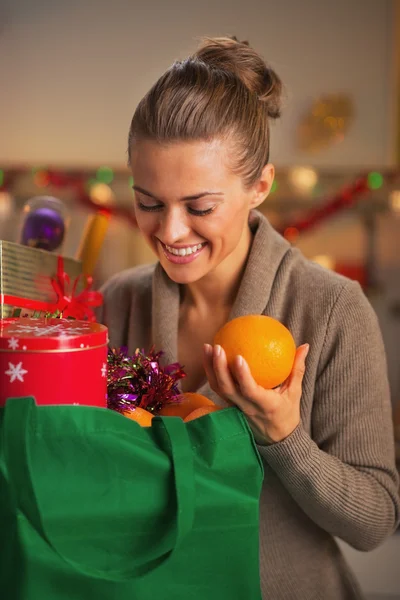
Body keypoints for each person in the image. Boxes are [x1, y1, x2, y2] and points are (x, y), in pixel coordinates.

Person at [98, 36, 400, 599]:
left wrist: (285, 436)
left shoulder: (331, 310)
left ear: (259, 186)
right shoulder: (119, 302)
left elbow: (376, 520)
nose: (170, 232)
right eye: (148, 202)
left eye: (200, 207)